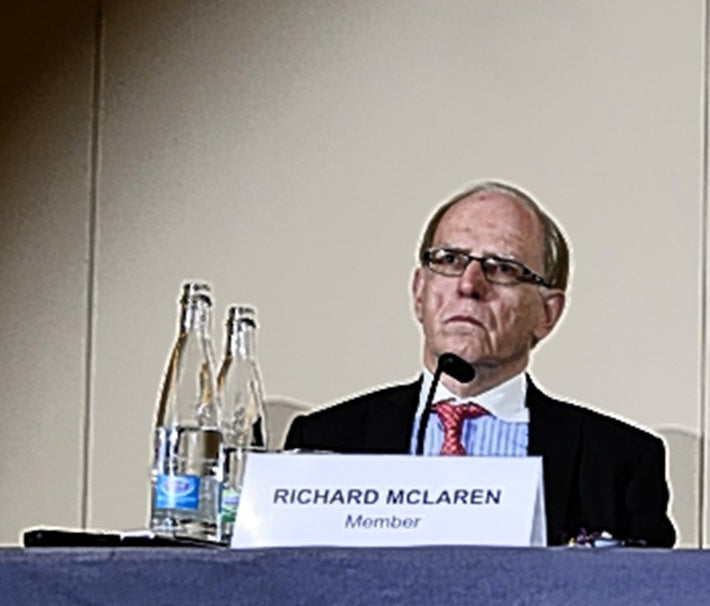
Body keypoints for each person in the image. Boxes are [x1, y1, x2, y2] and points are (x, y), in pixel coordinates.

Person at [284, 181, 674, 547]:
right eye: (450, 260)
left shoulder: (619, 463)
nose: (469, 285)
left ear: (547, 313)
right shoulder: (324, 443)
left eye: (502, 268)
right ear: (419, 292)